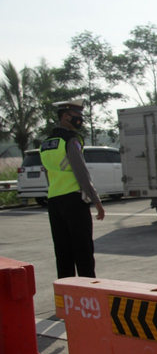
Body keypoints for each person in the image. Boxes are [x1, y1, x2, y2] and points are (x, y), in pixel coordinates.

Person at [40, 99, 105, 279]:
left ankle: (65, 295)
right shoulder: (70, 140)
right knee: (83, 251)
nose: (80, 120)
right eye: (77, 116)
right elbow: (81, 173)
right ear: (66, 116)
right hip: (73, 201)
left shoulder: (45, 143)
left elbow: (48, 173)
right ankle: (88, 295)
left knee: (63, 253)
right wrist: (96, 201)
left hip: (54, 201)